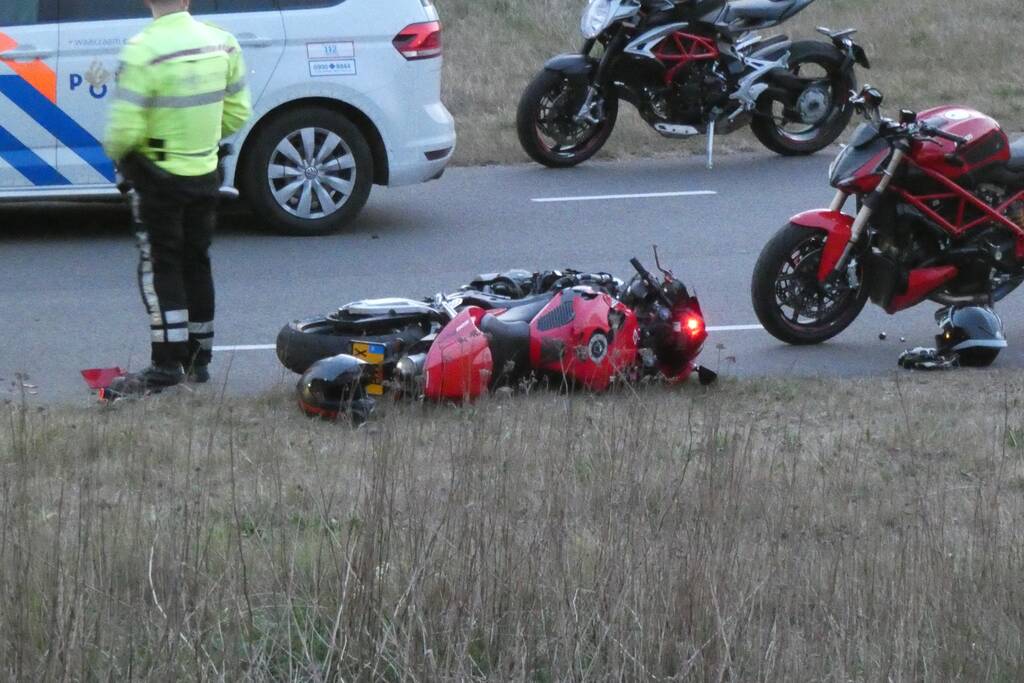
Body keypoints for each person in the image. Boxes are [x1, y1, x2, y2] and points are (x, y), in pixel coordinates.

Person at [103, 0, 251, 395]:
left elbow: (123, 131)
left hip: (157, 179)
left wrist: (126, 158)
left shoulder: (143, 50)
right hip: (205, 173)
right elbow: (238, 111)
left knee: (161, 268)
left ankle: (167, 364)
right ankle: (198, 358)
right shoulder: (223, 44)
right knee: (196, 262)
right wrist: (200, 141)